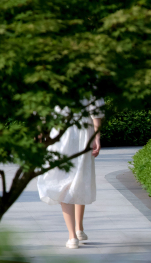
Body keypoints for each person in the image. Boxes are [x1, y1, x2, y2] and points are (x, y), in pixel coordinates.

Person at [37, 97, 104, 249]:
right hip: (83, 131)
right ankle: (78, 229)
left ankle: (73, 236)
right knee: (80, 177)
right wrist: (97, 136)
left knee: (63, 180)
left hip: (59, 133)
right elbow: (96, 108)